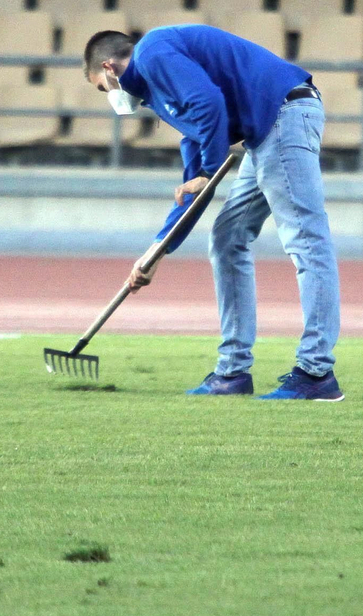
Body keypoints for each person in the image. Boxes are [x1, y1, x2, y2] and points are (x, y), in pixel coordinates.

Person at [83, 25, 343, 401]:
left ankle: (316, 374)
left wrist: (207, 171)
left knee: (306, 239)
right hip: (264, 133)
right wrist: (158, 250)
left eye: (101, 88)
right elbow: (195, 184)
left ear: (108, 68)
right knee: (226, 239)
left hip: (284, 115)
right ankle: (233, 372)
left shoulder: (153, 52)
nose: (108, 96)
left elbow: (209, 103)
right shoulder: (161, 95)